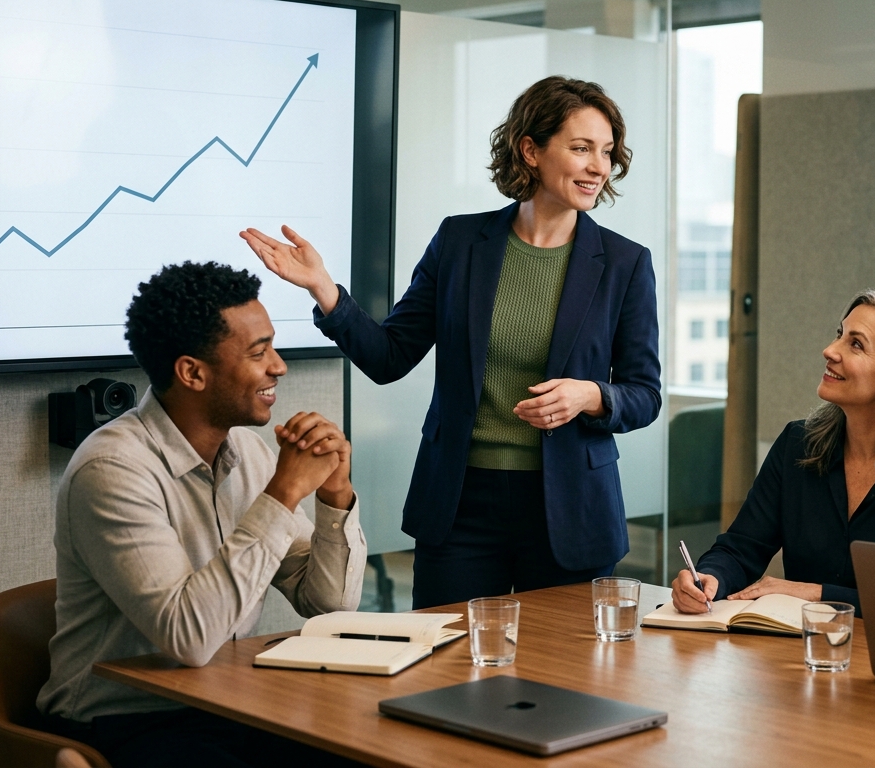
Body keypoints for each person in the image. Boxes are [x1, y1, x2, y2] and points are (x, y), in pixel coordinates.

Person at [241, 76, 661, 608]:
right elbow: (389, 357)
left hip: (571, 508)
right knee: (447, 672)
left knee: (569, 679)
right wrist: (325, 289)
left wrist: (590, 396)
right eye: (581, 149)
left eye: (606, 152)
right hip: (461, 503)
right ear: (529, 150)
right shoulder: (462, 243)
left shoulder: (625, 263)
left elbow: (644, 393)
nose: (598, 166)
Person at [38, 261, 367, 768]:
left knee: (366, 748)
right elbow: (188, 638)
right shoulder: (112, 469)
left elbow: (327, 601)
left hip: (226, 705)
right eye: (259, 354)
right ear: (192, 372)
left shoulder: (250, 453)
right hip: (123, 719)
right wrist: (282, 494)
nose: (279, 366)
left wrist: (334, 495)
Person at [673, 290, 875, 615]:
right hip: (798, 652)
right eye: (839, 335)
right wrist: (709, 577)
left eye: (856, 344)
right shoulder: (797, 442)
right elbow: (741, 548)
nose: (830, 351)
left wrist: (818, 593)